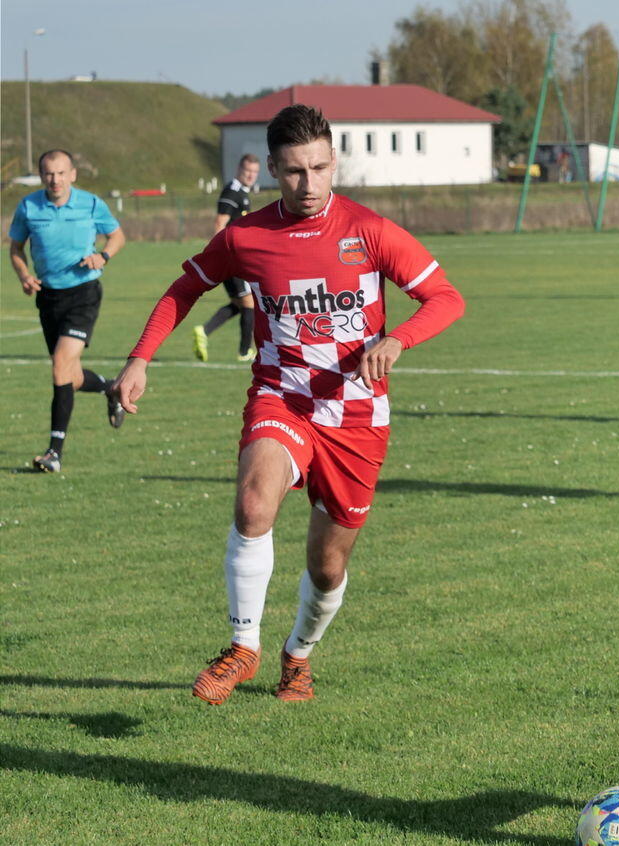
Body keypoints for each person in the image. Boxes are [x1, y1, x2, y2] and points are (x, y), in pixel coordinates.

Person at [114, 105, 465, 704]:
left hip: (356, 414)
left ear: (334, 164)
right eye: (296, 171)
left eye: (320, 168)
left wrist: (397, 340)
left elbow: (445, 297)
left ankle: (297, 654)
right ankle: (242, 647)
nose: (309, 183)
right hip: (282, 397)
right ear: (274, 169)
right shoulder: (246, 236)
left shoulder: (370, 231)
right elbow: (184, 288)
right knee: (254, 505)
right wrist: (140, 358)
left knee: (327, 568)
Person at [8, 149, 127, 473]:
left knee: (60, 365)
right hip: (48, 297)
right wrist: (24, 275)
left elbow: (117, 236)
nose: (55, 179)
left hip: (83, 293)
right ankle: (110, 388)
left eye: (61, 173)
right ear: (40, 175)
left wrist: (103, 256)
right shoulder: (29, 207)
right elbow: (16, 248)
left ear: (72, 174)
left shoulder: (91, 204)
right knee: (69, 376)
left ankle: (54, 453)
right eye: (49, 173)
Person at [193, 154, 262, 361]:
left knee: (239, 303)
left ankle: (204, 331)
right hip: (232, 257)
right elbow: (219, 224)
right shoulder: (232, 191)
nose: (250, 175)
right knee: (249, 303)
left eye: (254, 172)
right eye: (247, 171)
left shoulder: (242, 193)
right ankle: (244, 351)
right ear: (239, 169)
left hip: (237, 256)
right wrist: (221, 255)